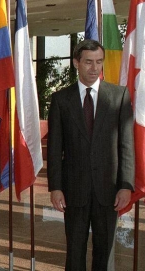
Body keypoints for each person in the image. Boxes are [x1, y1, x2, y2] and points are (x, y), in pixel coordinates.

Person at [47, 39, 135, 271]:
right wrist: (55, 187)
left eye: (98, 62)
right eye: (88, 62)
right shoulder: (60, 100)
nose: (94, 68)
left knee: (105, 252)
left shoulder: (119, 96)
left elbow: (127, 145)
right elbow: (55, 148)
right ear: (77, 62)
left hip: (110, 190)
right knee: (75, 251)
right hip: (73, 189)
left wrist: (126, 185)